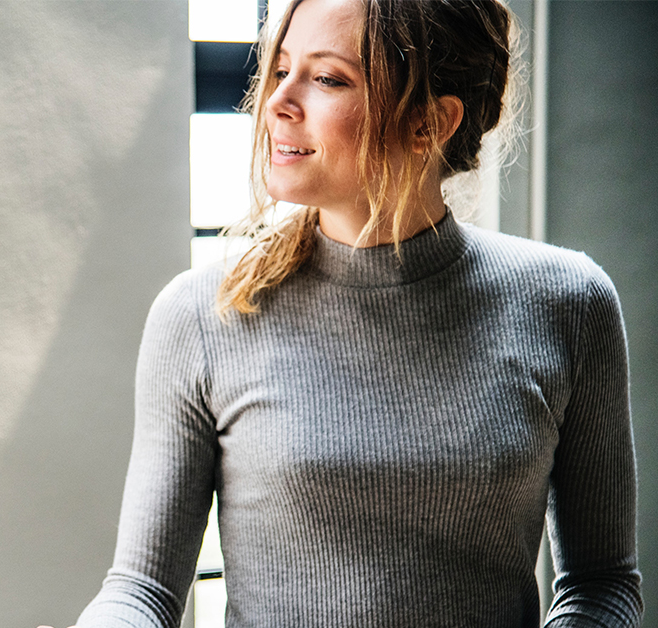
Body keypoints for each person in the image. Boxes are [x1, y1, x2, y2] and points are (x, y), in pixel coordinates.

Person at [75, 0, 642, 625]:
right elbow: (142, 590)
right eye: (281, 69)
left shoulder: (570, 303)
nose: (277, 101)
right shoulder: (200, 315)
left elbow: (602, 585)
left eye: (326, 78)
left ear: (429, 122)